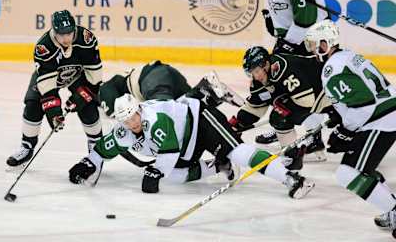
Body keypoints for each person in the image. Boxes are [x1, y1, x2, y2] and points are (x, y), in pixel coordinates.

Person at [68, 93, 315, 199]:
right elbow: (103, 149)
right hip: (184, 140)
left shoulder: (155, 120)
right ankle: (218, 166)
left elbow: (169, 151)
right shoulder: (125, 129)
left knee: (237, 151)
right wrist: (88, 162)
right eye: (125, 120)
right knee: (173, 177)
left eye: (133, 116)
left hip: (200, 119)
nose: (131, 123)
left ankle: (292, 179)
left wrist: (155, 170)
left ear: (139, 110)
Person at [305, 19, 396, 238]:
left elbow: (363, 103)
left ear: (327, 43)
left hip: (381, 120)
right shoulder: (347, 56)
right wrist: (339, 116)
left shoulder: (331, 69)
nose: (314, 50)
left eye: (316, 44)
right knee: (359, 168)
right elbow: (357, 97)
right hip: (383, 114)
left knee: (348, 173)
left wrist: (345, 131)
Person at [6, 10, 103, 167]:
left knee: (88, 104)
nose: (66, 38)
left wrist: (83, 95)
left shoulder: (86, 39)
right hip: (51, 78)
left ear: (74, 29)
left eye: (69, 33)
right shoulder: (43, 47)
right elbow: (47, 85)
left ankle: (96, 147)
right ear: (54, 31)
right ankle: (27, 146)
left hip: (78, 76)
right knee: (33, 103)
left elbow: (94, 75)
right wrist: (54, 113)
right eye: (61, 34)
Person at [229, 46, 332, 165]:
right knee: (279, 117)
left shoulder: (283, 69)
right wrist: (238, 123)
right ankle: (292, 155)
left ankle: (296, 154)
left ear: (266, 65)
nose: (256, 76)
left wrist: (282, 104)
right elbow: (256, 106)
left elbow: (307, 101)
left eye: (257, 71)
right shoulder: (259, 80)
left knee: (279, 117)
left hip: (327, 91)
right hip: (317, 96)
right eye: (252, 73)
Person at [99, 61, 242, 118]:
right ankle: (210, 95)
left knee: (163, 113)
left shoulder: (105, 90)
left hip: (151, 81)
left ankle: (205, 88)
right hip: (164, 74)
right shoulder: (114, 85)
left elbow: (124, 124)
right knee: (191, 113)